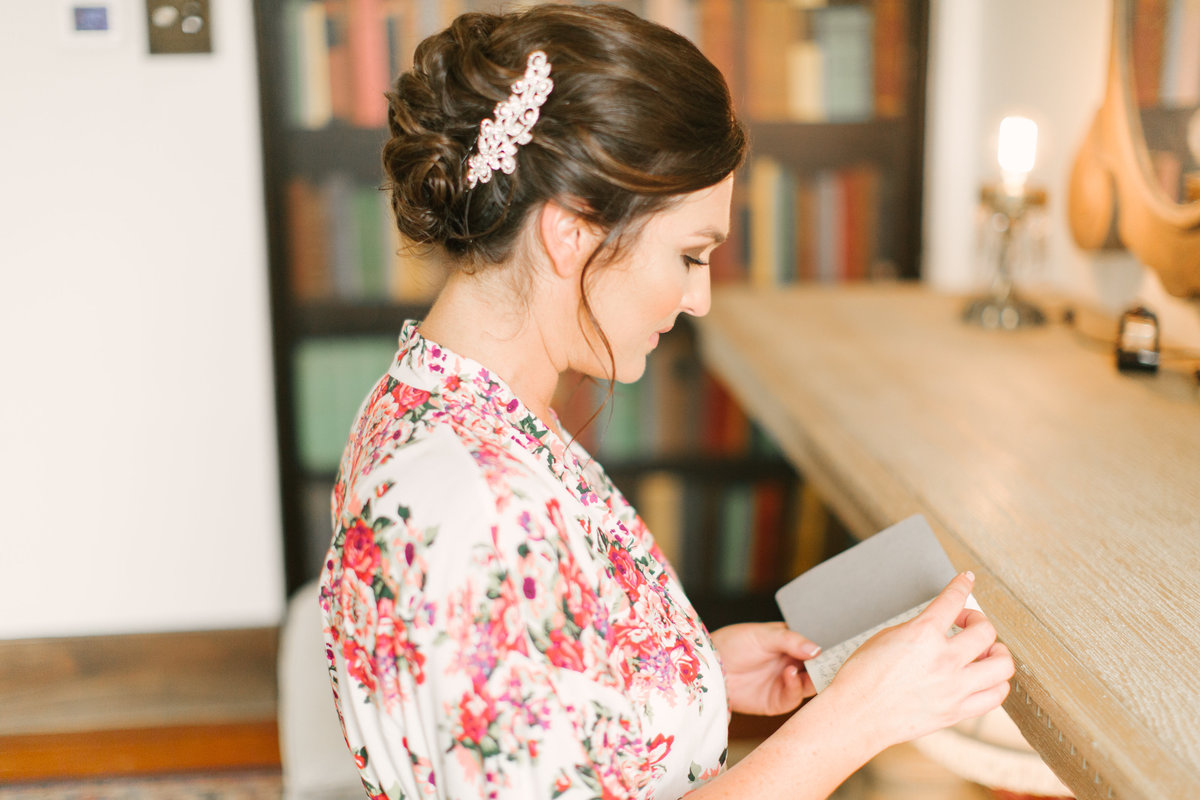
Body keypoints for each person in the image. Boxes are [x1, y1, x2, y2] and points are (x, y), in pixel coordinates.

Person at [318, 5, 1015, 800]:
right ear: (571, 231)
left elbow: (520, 692)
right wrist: (854, 721)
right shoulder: (481, 507)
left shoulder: (441, 398)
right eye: (689, 255)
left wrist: (695, 676)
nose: (700, 299)